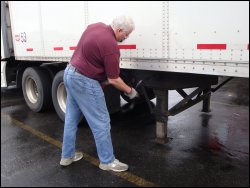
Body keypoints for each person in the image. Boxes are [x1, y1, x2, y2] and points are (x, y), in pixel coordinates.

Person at [60, 16, 138, 172]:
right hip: (84, 80)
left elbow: (93, 53)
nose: (126, 38)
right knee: (101, 121)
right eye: (126, 34)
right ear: (119, 30)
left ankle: (67, 156)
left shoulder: (96, 26)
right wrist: (130, 91)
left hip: (69, 73)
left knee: (71, 119)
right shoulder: (111, 47)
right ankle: (107, 161)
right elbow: (114, 79)